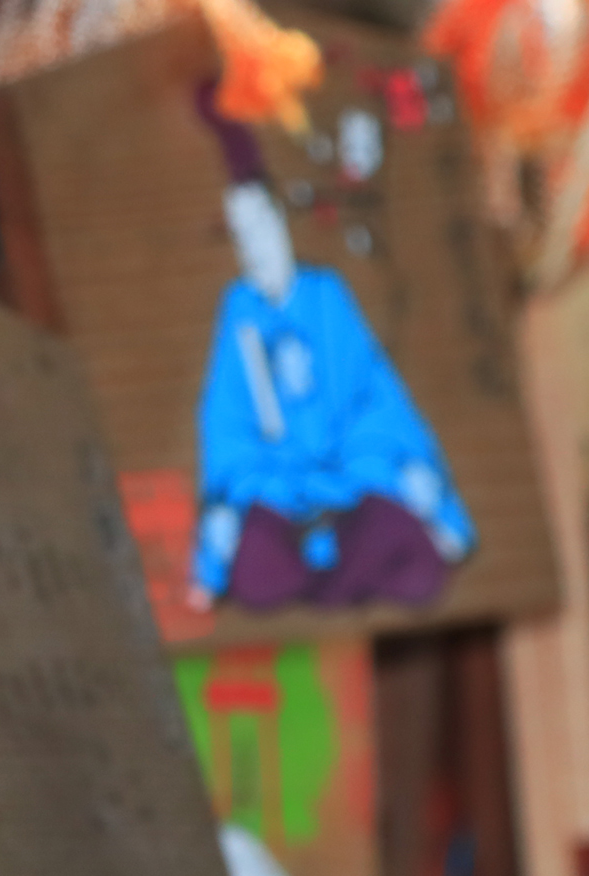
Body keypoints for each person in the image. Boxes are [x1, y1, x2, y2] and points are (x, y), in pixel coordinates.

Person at [188, 81, 475, 612]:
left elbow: (372, 390)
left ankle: (346, 566)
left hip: (352, 473)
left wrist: (401, 477)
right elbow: (224, 421)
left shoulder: (325, 296)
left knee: (404, 544)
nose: (257, 247)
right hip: (277, 486)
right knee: (254, 561)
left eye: (263, 228)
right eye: (242, 234)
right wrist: (230, 518)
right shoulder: (240, 312)